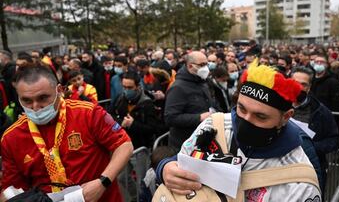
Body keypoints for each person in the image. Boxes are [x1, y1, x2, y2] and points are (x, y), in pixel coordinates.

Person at [156, 60, 321, 201]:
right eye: (241, 109)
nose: (246, 120)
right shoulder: (214, 125)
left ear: (286, 117)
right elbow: (181, 161)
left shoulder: (300, 183)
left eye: (260, 116)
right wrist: (165, 168)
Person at [1, 64, 133, 202]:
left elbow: (124, 145)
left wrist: (103, 182)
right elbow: (11, 189)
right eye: (26, 100)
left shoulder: (87, 113)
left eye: (43, 98)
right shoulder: (11, 138)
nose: (35, 107)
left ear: (58, 91)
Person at [111, 71, 158, 201]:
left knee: (142, 181)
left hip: (140, 149)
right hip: (123, 146)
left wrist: (133, 124)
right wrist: (121, 123)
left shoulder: (147, 104)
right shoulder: (120, 99)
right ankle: (134, 198)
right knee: (121, 177)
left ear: (138, 86)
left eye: (129, 88)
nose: (126, 90)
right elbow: (110, 115)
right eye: (124, 87)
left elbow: (152, 128)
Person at [292, 66, 339, 193]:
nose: (299, 87)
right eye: (296, 83)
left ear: (309, 87)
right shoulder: (277, 106)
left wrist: (311, 147)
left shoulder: (321, 112)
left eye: (304, 84)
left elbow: (333, 140)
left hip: (310, 169)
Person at [164, 51, 212, 151]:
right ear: (190, 66)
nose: (206, 68)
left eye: (206, 64)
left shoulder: (202, 82)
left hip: (201, 141)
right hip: (183, 145)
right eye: (202, 65)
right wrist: (199, 117)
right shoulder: (178, 88)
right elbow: (170, 118)